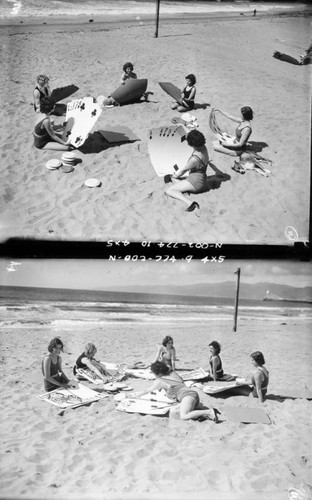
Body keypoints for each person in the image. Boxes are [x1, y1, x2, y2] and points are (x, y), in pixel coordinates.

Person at [133, 361, 220, 421]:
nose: (153, 374)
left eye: (153, 372)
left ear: (158, 373)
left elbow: (147, 390)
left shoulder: (160, 381)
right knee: (173, 411)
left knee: (183, 416)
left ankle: (209, 412)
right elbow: (168, 366)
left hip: (188, 396)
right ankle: (199, 414)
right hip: (191, 396)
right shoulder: (171, 372)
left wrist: (134, 396)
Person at [166, 129, 209, 212]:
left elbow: (183, 171)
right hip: (202, 179)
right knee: (174, 179)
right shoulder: (203, 147)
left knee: (169, 190)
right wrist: (182, 125)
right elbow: (192, 134)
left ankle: (189, 202)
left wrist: (174, 175)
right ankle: (185, 191)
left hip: (195, 183)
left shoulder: (195, 159)